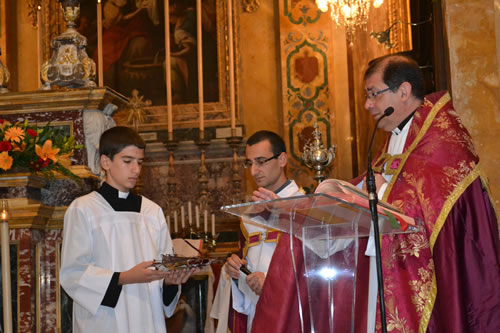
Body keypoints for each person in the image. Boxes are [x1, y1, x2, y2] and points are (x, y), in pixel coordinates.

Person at [251, 54, 500, 333]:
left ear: (403, 91)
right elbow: (372, 193)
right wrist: (297, 206)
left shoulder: (443, 142)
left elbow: (426, 211)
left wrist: (378, 196)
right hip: (384, 271)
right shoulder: (395, 140)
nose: (368, 104)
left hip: (428, 278)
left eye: (373, 94)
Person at [60, 126, 198, 332]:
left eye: (140, 162)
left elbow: (164, 270)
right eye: (127, 161)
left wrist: (170, 282)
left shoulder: (152, 212)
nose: (136, 169)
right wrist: (124, 277)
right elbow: (73, 274)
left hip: (148, 318)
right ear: (105, 162)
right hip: (104, 321)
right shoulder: (83, 209)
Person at [211, 130, 302, 333]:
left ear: (282, 159)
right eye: (249, 163)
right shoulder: (248, 216)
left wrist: (272, 284)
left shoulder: (305, 208)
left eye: (260, 161)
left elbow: (314, 269)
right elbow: (249, 268)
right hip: (256, 314)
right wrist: (236, 273)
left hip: (293, 314)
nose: (253, 171)